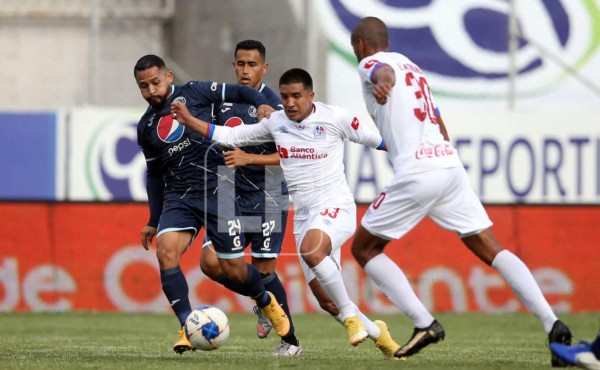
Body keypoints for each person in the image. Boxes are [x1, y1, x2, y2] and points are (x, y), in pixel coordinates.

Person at [348, 16, 572, 366]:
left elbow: (381, 73)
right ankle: (552, 322)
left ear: (360, 44)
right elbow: (437, 118)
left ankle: (425, 324)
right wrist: (444, 157)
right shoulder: (414, 68)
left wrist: (382, 83)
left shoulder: (371, 63)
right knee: (487, 244)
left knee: (364, 248)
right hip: (448, 164)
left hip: (417, 171)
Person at [170, 67, 402, 358]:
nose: (290, 103)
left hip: (336, 206)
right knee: (325, 301)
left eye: (296, 96)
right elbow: (230, 134)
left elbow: (379, 141)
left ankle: (351, 318)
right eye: (285, 97)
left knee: (312, 252)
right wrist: (190, 120)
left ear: (311, 96)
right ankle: (382, 336)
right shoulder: (276, 122)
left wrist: (414, 153)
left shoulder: (336, 118)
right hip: (305, 215)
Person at [134, 54, 290, 355]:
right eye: (144, 86)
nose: (152, 90)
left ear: (168, 76)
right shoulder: (146, 126)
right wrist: (154, 219)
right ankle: (186, 327)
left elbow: (240, 91)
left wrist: (259, 103)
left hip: (221, 190)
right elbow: (154, 174)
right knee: (166, 253)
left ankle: (265, 301)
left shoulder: (195, 91)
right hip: (181, 196)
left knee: (235, 269)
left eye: (155, 82)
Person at [204, 39, 302, 357]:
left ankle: (290, 341)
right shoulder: (222, 101)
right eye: (241, 64)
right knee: (210, 262)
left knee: (262, 271)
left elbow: (289, 154)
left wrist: (249, 158)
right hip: (229, 194)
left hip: (268, 195)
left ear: (264, 67)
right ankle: (261, 299)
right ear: (234, 65)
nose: (246, 71)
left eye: (252, 65)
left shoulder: (275, 105)